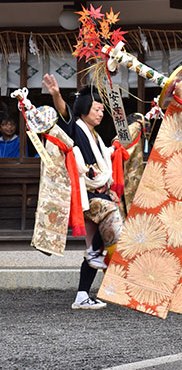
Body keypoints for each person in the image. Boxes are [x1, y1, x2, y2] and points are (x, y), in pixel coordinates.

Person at [41, 77, 126, 310]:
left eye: (102, 110)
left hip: (100, 194)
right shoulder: (75, 129)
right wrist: (56, 94)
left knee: (95, 248)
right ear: (85, 109)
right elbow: (63, 112)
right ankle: (120, 266)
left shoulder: (96, 137)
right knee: (112, 220)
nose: (101, 114)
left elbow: (105, 161)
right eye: (97, 109)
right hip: (85, 197)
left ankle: (82, 295)